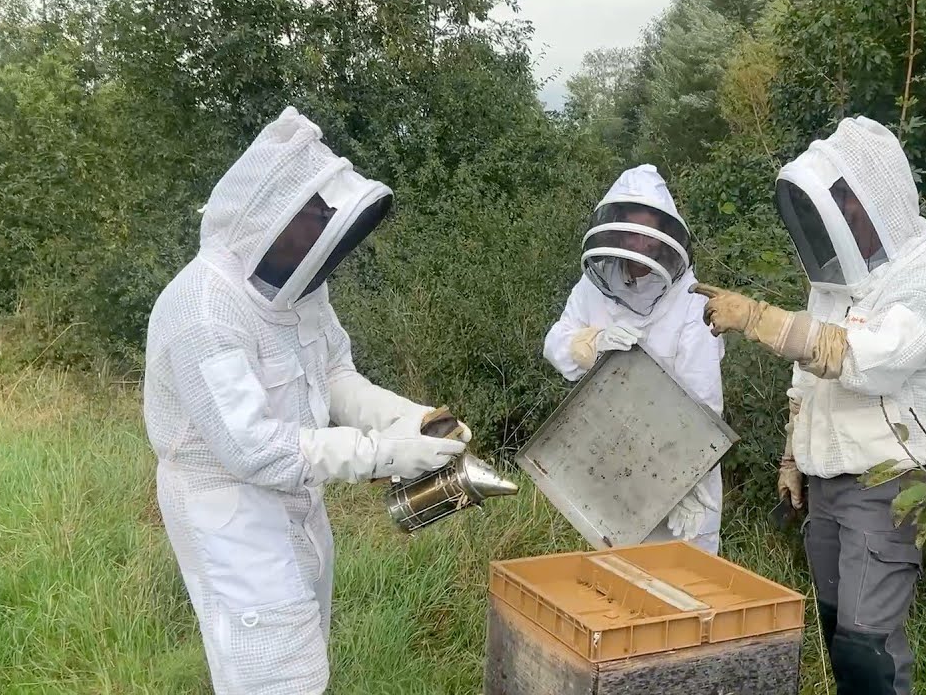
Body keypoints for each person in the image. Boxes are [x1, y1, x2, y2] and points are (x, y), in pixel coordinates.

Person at [142, 106, 470, 694]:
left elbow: (335, 373)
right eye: (312, 220)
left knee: (305, 647)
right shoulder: (203, 311)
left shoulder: (298, 289)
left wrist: (402, 418)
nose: (323, 240)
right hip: (230, 511)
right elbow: (254, 450)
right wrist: (382, 453)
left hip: (297, 496)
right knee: (274, 676)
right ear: (268, 217)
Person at [692, 116, 926, 695]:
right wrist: (792, 461)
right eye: (832, 202)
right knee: (839, 628)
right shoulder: (835, 283)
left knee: (867, 646)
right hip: (828, 485)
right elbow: (809, 383)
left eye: (847, 200)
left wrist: (758, 318)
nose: (838, 217)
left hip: (890, 482)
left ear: (878, 198)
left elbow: (870, 361)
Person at [543, 164, 726, 554]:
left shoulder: (692, 302)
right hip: (612, 458)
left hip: (677, 463)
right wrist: (589, 344)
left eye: (648, 238)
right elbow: (555, 342)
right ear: (617, 230)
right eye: (631, 234)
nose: (639, 247)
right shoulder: (594, 285)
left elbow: (705, 405)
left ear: (662, 238)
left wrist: (688, 483)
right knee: (620, 581)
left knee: (685, 584)